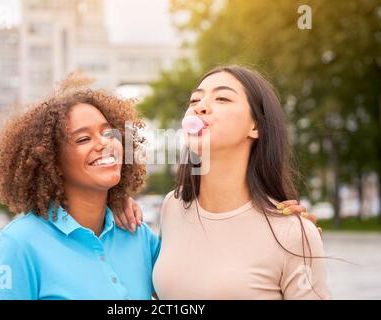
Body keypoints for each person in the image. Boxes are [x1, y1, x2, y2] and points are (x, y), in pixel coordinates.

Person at [119, 65, 330, 299]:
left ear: (256, 126)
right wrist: (113, 203)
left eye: (222, 98)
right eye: (194, 100)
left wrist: (301, 238)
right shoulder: (173, 206)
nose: (200, 107)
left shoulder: (293, 233)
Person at [0, 73, 159, 299]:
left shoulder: (137, 233)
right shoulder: (18, 244)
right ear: (52, 161)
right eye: (84, 139)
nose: (105, 143)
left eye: (108, 132)